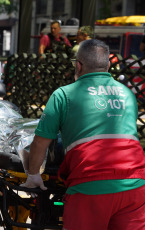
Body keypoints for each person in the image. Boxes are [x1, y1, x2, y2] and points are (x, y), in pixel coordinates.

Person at [22, 39, 145, 229]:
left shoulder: (64, 94)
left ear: (78, 65)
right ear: (108, 65)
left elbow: (40, 142)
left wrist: (33, 175)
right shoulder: (126, 93)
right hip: (135, 185)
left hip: (90, 184)